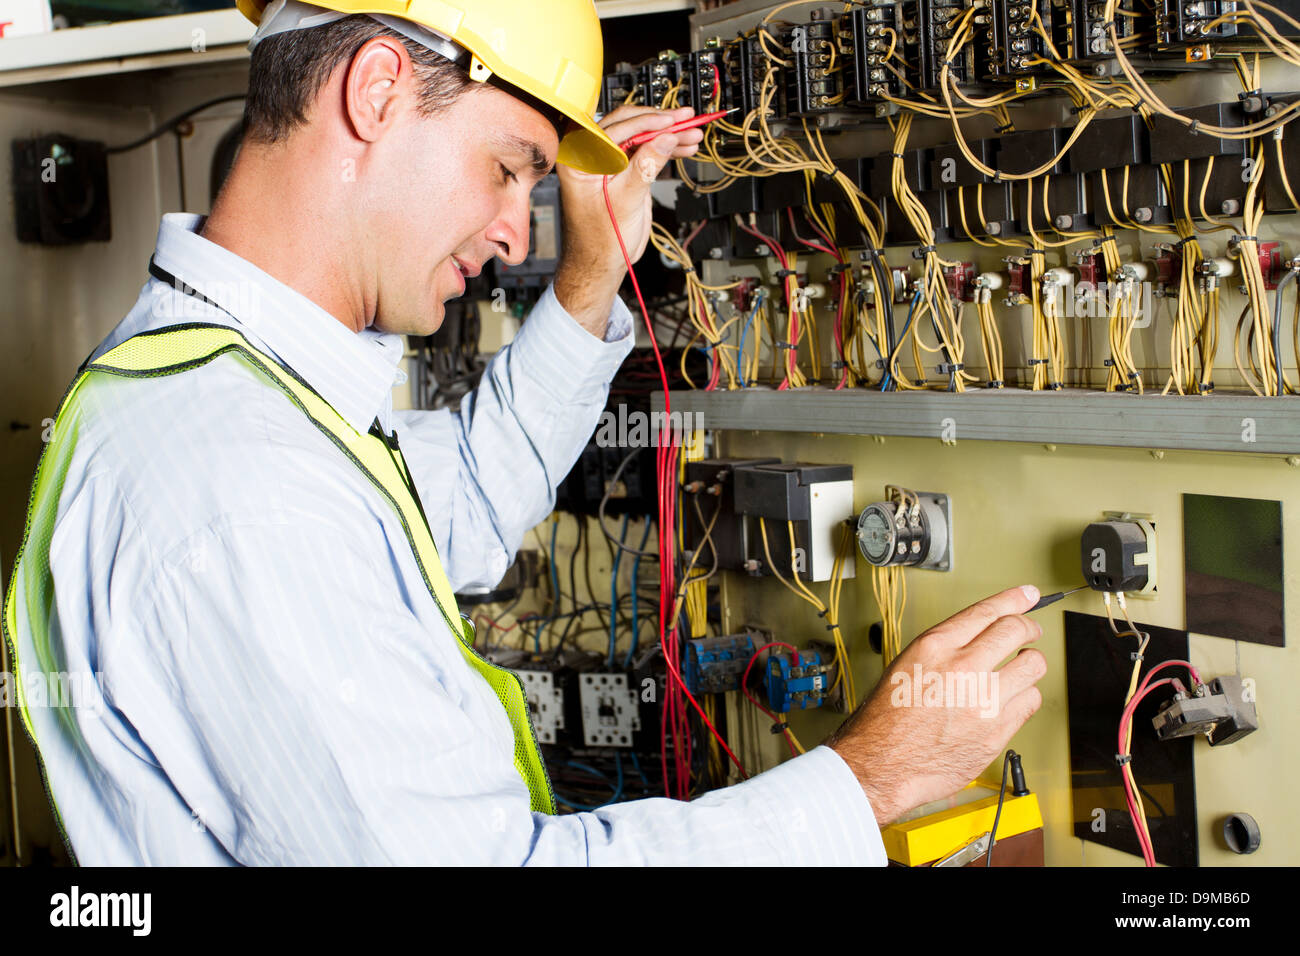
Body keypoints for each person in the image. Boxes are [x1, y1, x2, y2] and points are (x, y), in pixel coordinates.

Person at [2, 0, 1045, 865]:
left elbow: (449, 510)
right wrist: (868, 780)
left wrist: (590, 278)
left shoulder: (230, 391)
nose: (514, 234)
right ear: (376, 92)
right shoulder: (233, 479)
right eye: (506, 168)